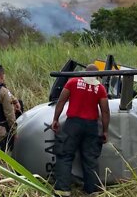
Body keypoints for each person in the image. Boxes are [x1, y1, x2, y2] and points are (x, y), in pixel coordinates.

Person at [51, 64, 110, 196]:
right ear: (97, 75)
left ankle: (63, 190)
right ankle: (92, 191)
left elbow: (61, 101)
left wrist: (55, 119)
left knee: (65, 155)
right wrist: (105, 131)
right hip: (91, 126)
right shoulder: (99, 88)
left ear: (84, 72)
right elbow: (105, 110)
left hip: (73, 124)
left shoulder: (73, 82)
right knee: (90, 159)